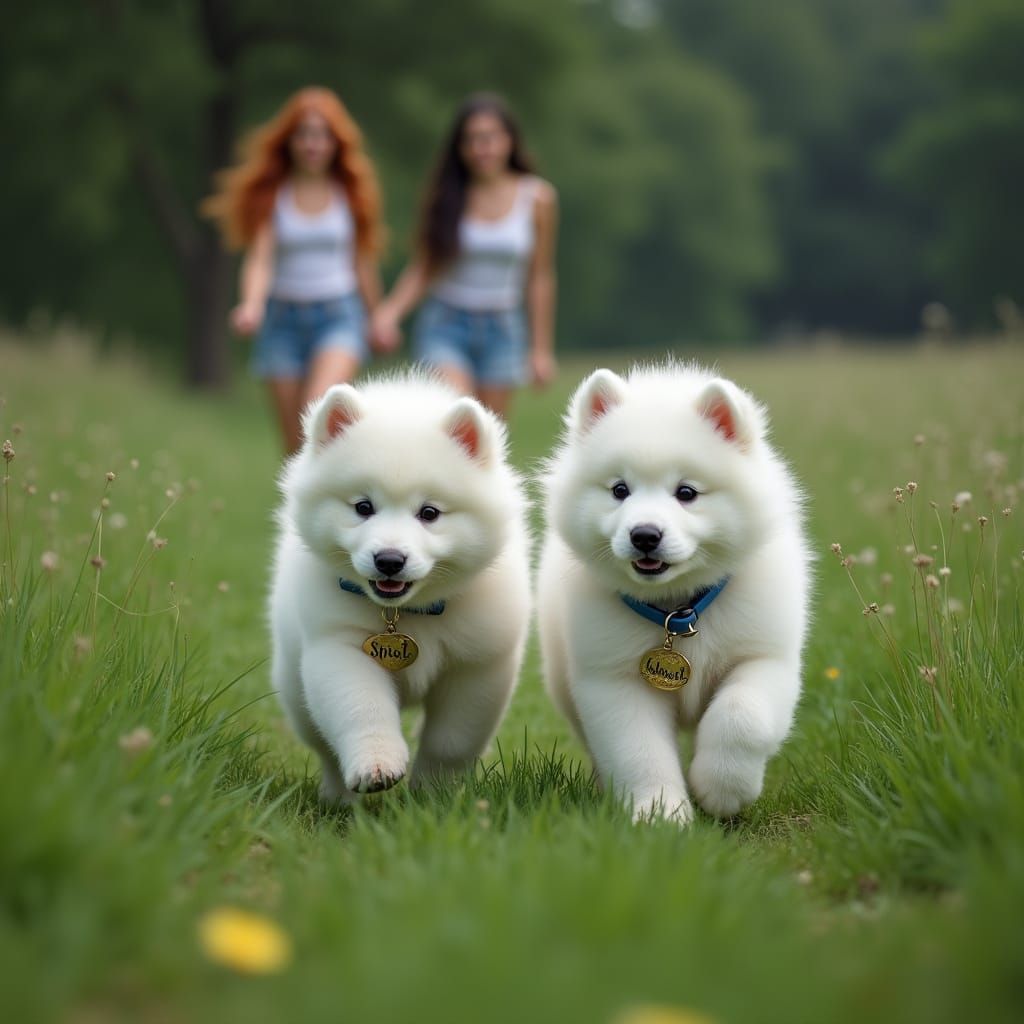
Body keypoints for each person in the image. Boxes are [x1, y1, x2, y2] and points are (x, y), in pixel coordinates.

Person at [204, 87, 383, 454]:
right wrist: (251, 305)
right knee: (296, 446)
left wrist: (377, 317)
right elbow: (260, 259)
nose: (312, 144)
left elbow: (361, 262)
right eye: (304, 134)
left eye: (322, 135)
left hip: (339, 317)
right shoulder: (274, 197)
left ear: (335, 143)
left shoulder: (348, 195)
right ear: (289, 141)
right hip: (281, 323)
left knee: (317, 410)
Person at [372, 93, 557, 418]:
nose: (480, 148)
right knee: (458, 417)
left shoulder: (537, 199)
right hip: (446, 325)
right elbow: (425, 267)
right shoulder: (448, 197)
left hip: (503, 327)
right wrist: (389, 313)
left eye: (489, 138)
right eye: (470, 140)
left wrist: (540, 350)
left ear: (509, 141)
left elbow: (539, 276)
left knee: (487, 440)